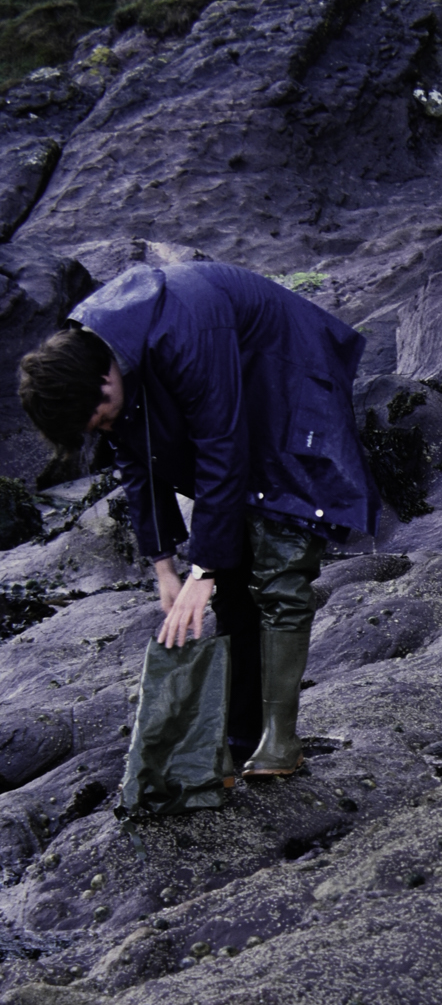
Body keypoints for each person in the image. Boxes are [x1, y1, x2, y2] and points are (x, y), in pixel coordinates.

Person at [16, 259, 379, 778]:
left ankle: (280, 741)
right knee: (231, 581)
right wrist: (166, 566)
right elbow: (136, 461)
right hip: (228, 388)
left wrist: (200, 569)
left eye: (103, 415)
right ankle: (239, 736)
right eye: (96, 427)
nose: (107, 426)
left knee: (279, 562)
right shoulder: (98, 359)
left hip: (284, 368)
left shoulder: (180, 331)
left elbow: (221, 445)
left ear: (103, 377)